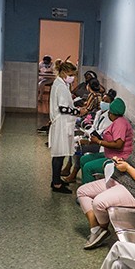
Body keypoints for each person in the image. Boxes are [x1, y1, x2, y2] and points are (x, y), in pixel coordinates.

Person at [76, 120, 135, 249]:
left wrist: (127, 167)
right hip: (119, 180)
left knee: (98, 203)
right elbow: (131, 162)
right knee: (82, 191)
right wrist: (120, 162)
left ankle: (103, 228)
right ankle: (97, 230)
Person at [77, 98, 133, 181]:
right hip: (109, 154)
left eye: (109, 112)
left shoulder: (120, 124)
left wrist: (98, 141)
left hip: (118, 159)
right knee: (84, 159)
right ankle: (87, 184)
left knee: (88, 167)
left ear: (112, 113)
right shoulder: (117, 122)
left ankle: (89, 191)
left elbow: (118, 144)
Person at [48, 58, 80, 193]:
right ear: (65, 73)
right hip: (61, 123)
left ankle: (56, 180)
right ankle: (56, 184)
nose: (73, 78)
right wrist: (78, 111)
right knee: (59, 155)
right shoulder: (60, 86)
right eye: (71, 75)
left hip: (62, 123)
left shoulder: (61, 83)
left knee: (59, 154)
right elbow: (63, 108)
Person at [37, 55, 55, 134]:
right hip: (43, 78)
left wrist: (49, 72)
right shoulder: (41, 64)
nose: (46, 63)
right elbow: (38, 70)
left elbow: (54, 72)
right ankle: (40, 96)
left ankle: (44, 97)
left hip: (50, 79)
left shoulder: (53, 65)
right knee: (41, 84)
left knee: (44, 83)